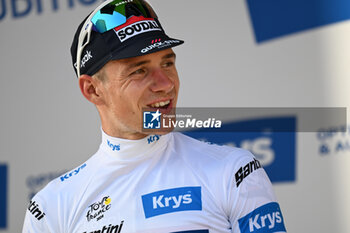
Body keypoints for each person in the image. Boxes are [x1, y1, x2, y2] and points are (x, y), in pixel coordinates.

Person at [22, 0, 287, 232]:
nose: (165, 84)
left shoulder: (233, 171)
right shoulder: (51, 208)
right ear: (92, 90)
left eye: (167, 63)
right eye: (139, 70)